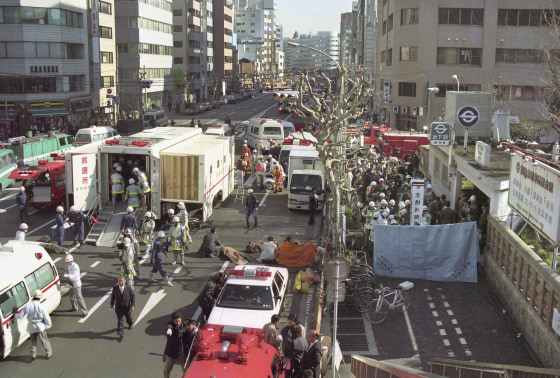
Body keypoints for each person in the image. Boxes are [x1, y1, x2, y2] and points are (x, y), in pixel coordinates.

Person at [13, 289, 53, 361]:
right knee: (44, 340)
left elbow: (20, 316)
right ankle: (48, 353)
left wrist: (15, 313)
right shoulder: (41, 306)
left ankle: (33, 354)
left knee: (33, 341)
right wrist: (48, 325)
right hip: (40, 326)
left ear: (33, 297)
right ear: (40, 297)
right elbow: (46, 317)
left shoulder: (27, 306)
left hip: (31, 326)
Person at [163, 312, 193, 378]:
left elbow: (189, 336)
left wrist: (190, 331)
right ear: (173, 321)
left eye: (179, 320)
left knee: (185, 368)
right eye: (176, 321)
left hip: (182, 350)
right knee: (167, 369)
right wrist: (169, 329)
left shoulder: (185, 325)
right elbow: (169, 326)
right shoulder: (171, 327)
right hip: (172, 350)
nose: (178, 323)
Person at [110, 276, 135, 342]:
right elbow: (113, 296)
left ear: (125, 282)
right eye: (119, 281)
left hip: (126, 307)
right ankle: (121, 335)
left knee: (128, 317)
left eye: (122, 281)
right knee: (120, 321)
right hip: (118, 308)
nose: (120, 282)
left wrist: (132, 305)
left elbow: (133, 296)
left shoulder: (128, 288)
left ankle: (130, 323)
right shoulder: (115, 288)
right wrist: (111, 304)